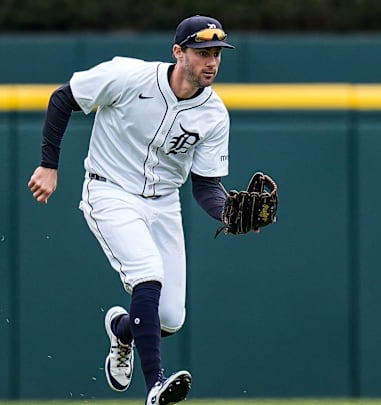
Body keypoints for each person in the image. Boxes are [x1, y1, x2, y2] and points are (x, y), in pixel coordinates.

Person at [27, 15, 234, 405]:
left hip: (163, 203)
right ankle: (155, 385)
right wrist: (48, 164)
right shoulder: (130, 77)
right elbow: (63, 97)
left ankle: (123, 331)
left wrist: (228, 213)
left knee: (171, 317)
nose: (212, 62)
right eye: (202, 52)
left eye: (217, 54)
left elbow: (205, 186)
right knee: (148, 274)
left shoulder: (214, 114)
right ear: (179, 52)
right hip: (111, 191)